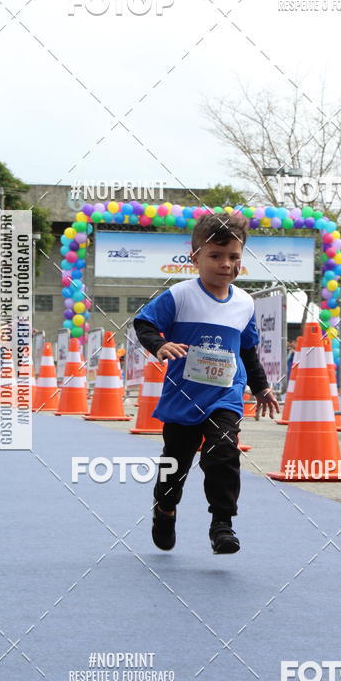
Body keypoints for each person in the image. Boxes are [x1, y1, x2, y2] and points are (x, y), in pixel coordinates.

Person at [134, 212, 280, 555]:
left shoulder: (244, 303)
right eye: (215, 256)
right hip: (184, 398)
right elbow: (144, 323)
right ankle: (165, 510)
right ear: (195, 257)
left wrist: (261, 387)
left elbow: (248, 349)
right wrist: (159, 344)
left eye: (233, 257)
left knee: (224, 452)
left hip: (225, 396)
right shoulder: (180, 295)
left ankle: (222, 523)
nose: (225, 264)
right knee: (176, 462)